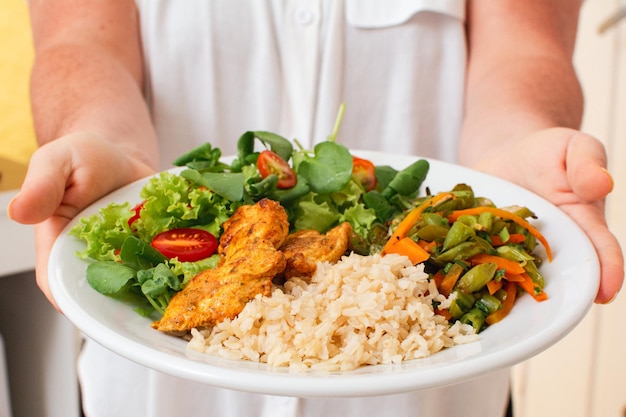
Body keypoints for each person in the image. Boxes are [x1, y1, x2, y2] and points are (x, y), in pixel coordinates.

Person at [8, 0, 624, 416]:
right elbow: (79, 42)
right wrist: (101, 142)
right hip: (155, 396)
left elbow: (524, 47)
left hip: (439, 390)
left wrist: (522, 139)